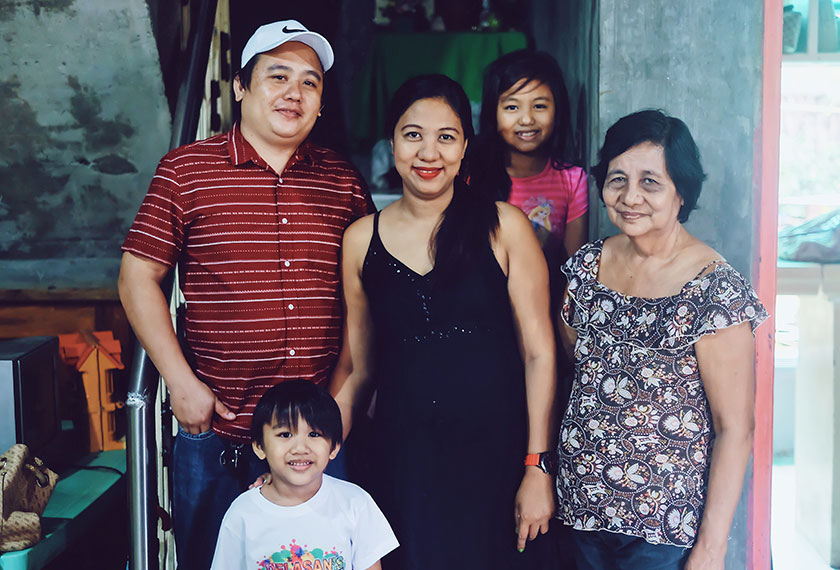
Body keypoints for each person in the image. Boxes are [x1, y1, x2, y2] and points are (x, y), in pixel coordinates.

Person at [118, 20, 374, 570]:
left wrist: (346, 396)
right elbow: (137, 276)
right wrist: (181, 384)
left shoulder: (342, 181)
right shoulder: (186, 171)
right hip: (217, 432)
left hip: (317, 437)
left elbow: (365, 297)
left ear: (322, 103)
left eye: (310, 83)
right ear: (239, 86)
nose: (294, 93)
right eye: (277, 75)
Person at [331, 74, 558, 569]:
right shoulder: (360, 239)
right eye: (412, 135)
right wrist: (306, 452)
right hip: (403, 463)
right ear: (390, 143)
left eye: (445, 137)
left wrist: (537, 466)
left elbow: (539, 353)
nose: (428, 153)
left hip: (497, 459)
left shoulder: (505, 226)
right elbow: (360, 371)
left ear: (465, 148)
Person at [556, 109, 768, 570]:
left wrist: (710, 550)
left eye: (650, 181)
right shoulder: (586, 268)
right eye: (617, 179)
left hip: (663, 531)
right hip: (579, 512)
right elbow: (573, 365)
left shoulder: (714, 289)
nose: (631, 197)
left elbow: (736, 428)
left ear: (681, 192)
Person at [210, 380, 398, 570]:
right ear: (259, 446)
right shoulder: (242, 514)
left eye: (314, 434)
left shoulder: (356, 503)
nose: (300, 448)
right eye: (285, 435)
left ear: (334, 447)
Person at [473, 49, 589, 284]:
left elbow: (573, 271)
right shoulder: (471, 176)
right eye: (512, 107)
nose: (526, 119)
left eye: (539, 106)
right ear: (492, 114)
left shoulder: (572, 180)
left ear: (557, 111)